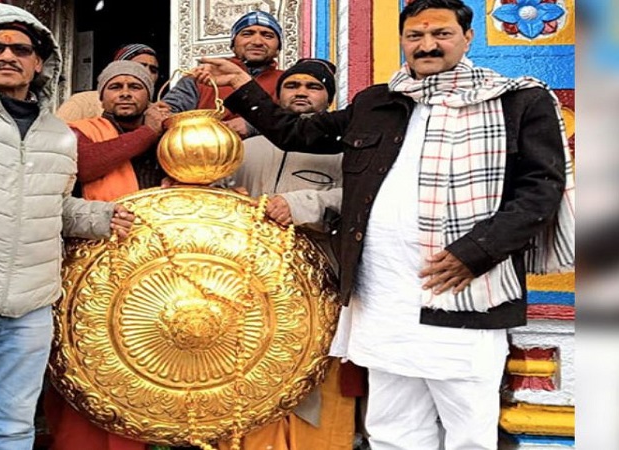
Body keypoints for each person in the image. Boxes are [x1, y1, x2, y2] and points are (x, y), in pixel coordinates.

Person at [191, 0, 576, 448]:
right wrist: (242, 86)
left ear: (468, 38)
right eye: (415, 36)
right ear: (402, 41)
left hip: (462, 291)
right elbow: (301, 134)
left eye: (441, 34)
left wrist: (476, 253)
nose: (427, 45)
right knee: (392, 426)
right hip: (383, 293)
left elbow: (540, 191)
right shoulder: (378, 101)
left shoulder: (517, 100)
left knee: (468, 427)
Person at [0, 4, 135, 449]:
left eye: (21, 49)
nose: (7, 56)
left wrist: (98, 217)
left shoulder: (57, 134)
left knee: (14, 428)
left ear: (40, 61)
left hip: (29, 302)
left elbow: (52, 207)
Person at [217, 58, 355, 450]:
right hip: (246, 290)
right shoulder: (244, 148)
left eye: (313, 86)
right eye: (292, 85)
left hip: (320, 289)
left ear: (330, 99)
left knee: (318, 383)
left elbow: (361, 200)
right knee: (245, 378)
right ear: (276, 97)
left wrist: (303, 204)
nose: (301, 92)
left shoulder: (347, 151)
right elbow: (212, 195)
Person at [44, 59, 170, 450]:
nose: (126, 93)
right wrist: (150, 131)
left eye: (136, 86)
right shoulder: (76, 132)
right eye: (116, 87)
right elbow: (88, 165)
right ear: (101, 96)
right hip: (90, 267)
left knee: (143, 364)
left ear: (149, 95)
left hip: (155, 271)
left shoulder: (173, 136)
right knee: (86, 363)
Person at [160, 10, 284, 138]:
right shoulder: (201, 76)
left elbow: (298, 122)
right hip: (204, 152)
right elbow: (168, 115)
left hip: (267, 156)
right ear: (233, 46)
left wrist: (253, 126)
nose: (257, 41)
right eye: (247, 34)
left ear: (278, 49)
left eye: (268, 36)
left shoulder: (290, 81)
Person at [57, 43, 161, 122]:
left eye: (153, 70)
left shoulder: (156, 113)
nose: (147, 72)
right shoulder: (81, 102)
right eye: (140, 66)